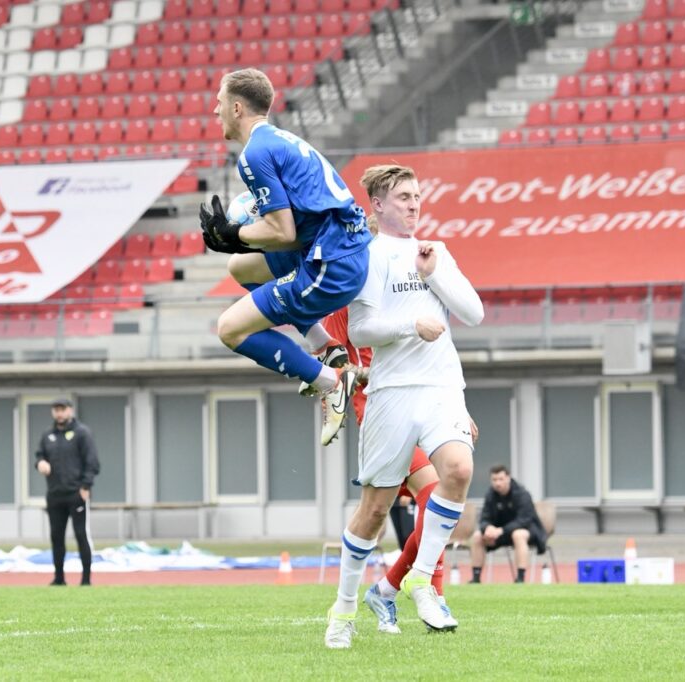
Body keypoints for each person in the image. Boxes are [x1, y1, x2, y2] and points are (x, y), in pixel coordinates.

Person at [324, 164, 484, 649]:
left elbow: (473, 312)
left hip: (441, 386)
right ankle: (345, 608)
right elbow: (359, 331)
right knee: (374, 510)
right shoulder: (368, 257)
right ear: (377, 204)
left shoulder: (435, 251)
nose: (414, 204)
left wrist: (434, 276)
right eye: (403, 197)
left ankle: (418, 581)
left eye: (417, 196)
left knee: (457, 471)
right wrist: (410, 326)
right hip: (391, 393)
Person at [201, 67, 371, 446]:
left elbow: (282, 233)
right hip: (340, 254)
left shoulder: (253, 156)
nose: (216, 111)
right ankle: (326, 346)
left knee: (230, 328)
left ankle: (331, 381)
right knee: (240, 266)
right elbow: (292, 230)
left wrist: (235, 234)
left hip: (329, 269)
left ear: (238, 108)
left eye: (220, 102)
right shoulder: (282, 140)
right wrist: (237, 245)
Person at [35, 397, 100, 586]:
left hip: (76, 493)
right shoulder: (48, 435)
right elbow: (39, 455)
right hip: (55, 494)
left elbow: (92, 462)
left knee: (81, 535)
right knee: (56, 536)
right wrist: (40, 463)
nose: (59, 413)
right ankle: (59, 578)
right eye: (56, 409)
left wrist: (86, 486)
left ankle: (86, 579)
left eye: (62, 409)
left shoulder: (82, 433)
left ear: (70, 410)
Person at [469, 464, 547, 584]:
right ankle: (476, 578)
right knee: (477, 536)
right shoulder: (490, 495)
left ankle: (520, 578)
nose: (497, 483)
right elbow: (484, 518)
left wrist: (501, 530)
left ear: (508, 478)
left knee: (518, 534)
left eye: (501, 479)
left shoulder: (522, 494)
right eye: (494, 480)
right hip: (500, 534)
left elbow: (524, 520)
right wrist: (487, 528)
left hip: (527, 531)